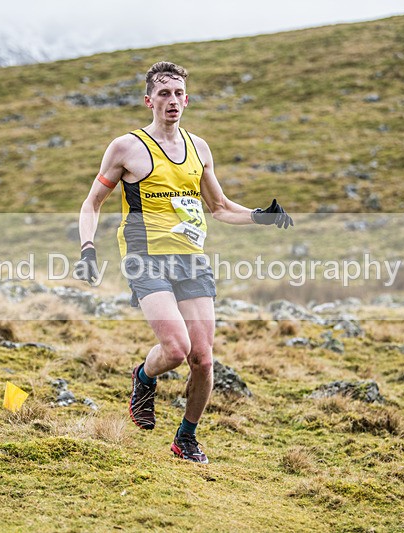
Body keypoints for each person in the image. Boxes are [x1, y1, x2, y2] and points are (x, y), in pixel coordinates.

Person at [76, 61, 292, 464]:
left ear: (186, 99)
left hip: (190, 259)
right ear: (148, 101)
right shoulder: (126, 148)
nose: (172, 101)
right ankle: (143, 378)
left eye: (178, 94)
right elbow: (92, 203)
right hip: (145, 258)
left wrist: (261, 215)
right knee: (175, 350)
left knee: (203, 357)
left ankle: (186, 438)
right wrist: (87, 248)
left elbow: (220, 207)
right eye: (163, 94)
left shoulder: (200, 148)